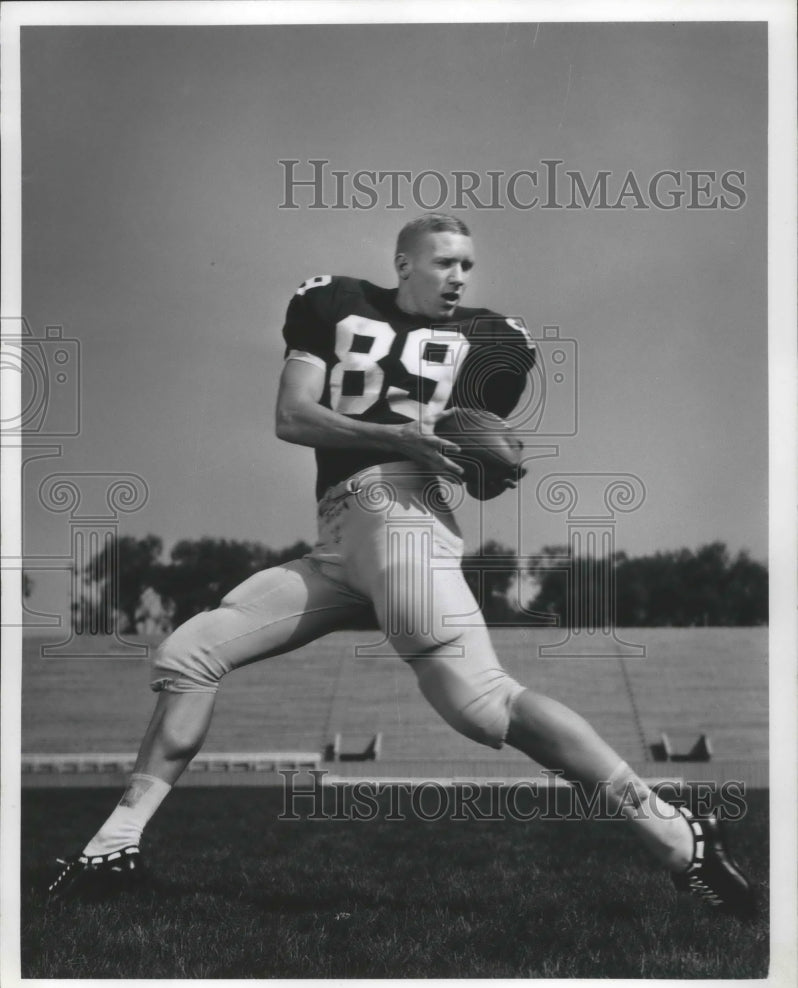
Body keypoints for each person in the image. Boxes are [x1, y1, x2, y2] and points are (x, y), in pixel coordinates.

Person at [48, 213, 754, 917]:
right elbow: (292, 416)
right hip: (341, 540)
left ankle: (674, 834)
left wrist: (480, 463)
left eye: (467, 266)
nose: (458, 277)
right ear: (404, 262)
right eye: (444, 262)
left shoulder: (490, 339)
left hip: (404, 526)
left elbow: (474, 460)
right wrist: (393, 434)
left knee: (482, 706)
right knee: (189, 652)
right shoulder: (333, 303)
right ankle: (113, 846)